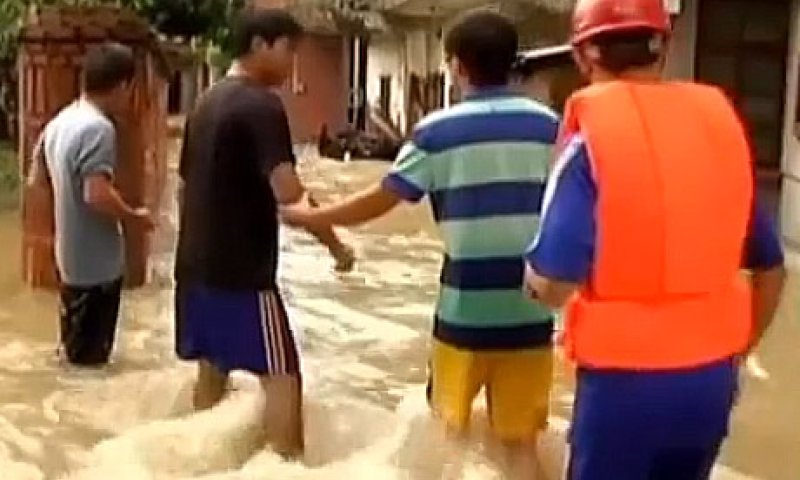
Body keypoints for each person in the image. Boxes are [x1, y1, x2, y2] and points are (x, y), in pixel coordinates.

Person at [282, 11, 558, 478]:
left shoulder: (437, 131)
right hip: (532, 308)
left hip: (463, 311)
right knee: (521, 444)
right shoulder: (551, 126)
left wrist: (313, 217)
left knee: (446, 433)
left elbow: (382, 199)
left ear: (457, 66)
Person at [523, 0, 787, 478]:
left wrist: (531, 282)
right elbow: (771, 268)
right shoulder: (717, 133)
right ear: (662, 47)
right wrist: (737, 351)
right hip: (710, 381)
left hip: (623, 390)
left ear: (584, 57)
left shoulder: (591, 143)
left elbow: (554, 280)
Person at [174, 9, 353, 458]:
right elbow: (289, 194)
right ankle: (289, 464)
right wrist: (336, 245)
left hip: (194, 269)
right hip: (243, 276)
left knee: (212, 373)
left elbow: (184, 187)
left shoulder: (205, 102)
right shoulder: (261, 105)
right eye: (289, 49)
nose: (293, 62)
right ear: (261, 44)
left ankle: (193, 462)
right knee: (283, 375)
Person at [28, 42, 154, 367]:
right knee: (91, 367)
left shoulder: (59, 123)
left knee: (74, 354)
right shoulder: (98, 129)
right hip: (97, 268)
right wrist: (134, 217)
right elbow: (96, 194)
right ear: (123, 85)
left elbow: (36, 181)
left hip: (69, 261)